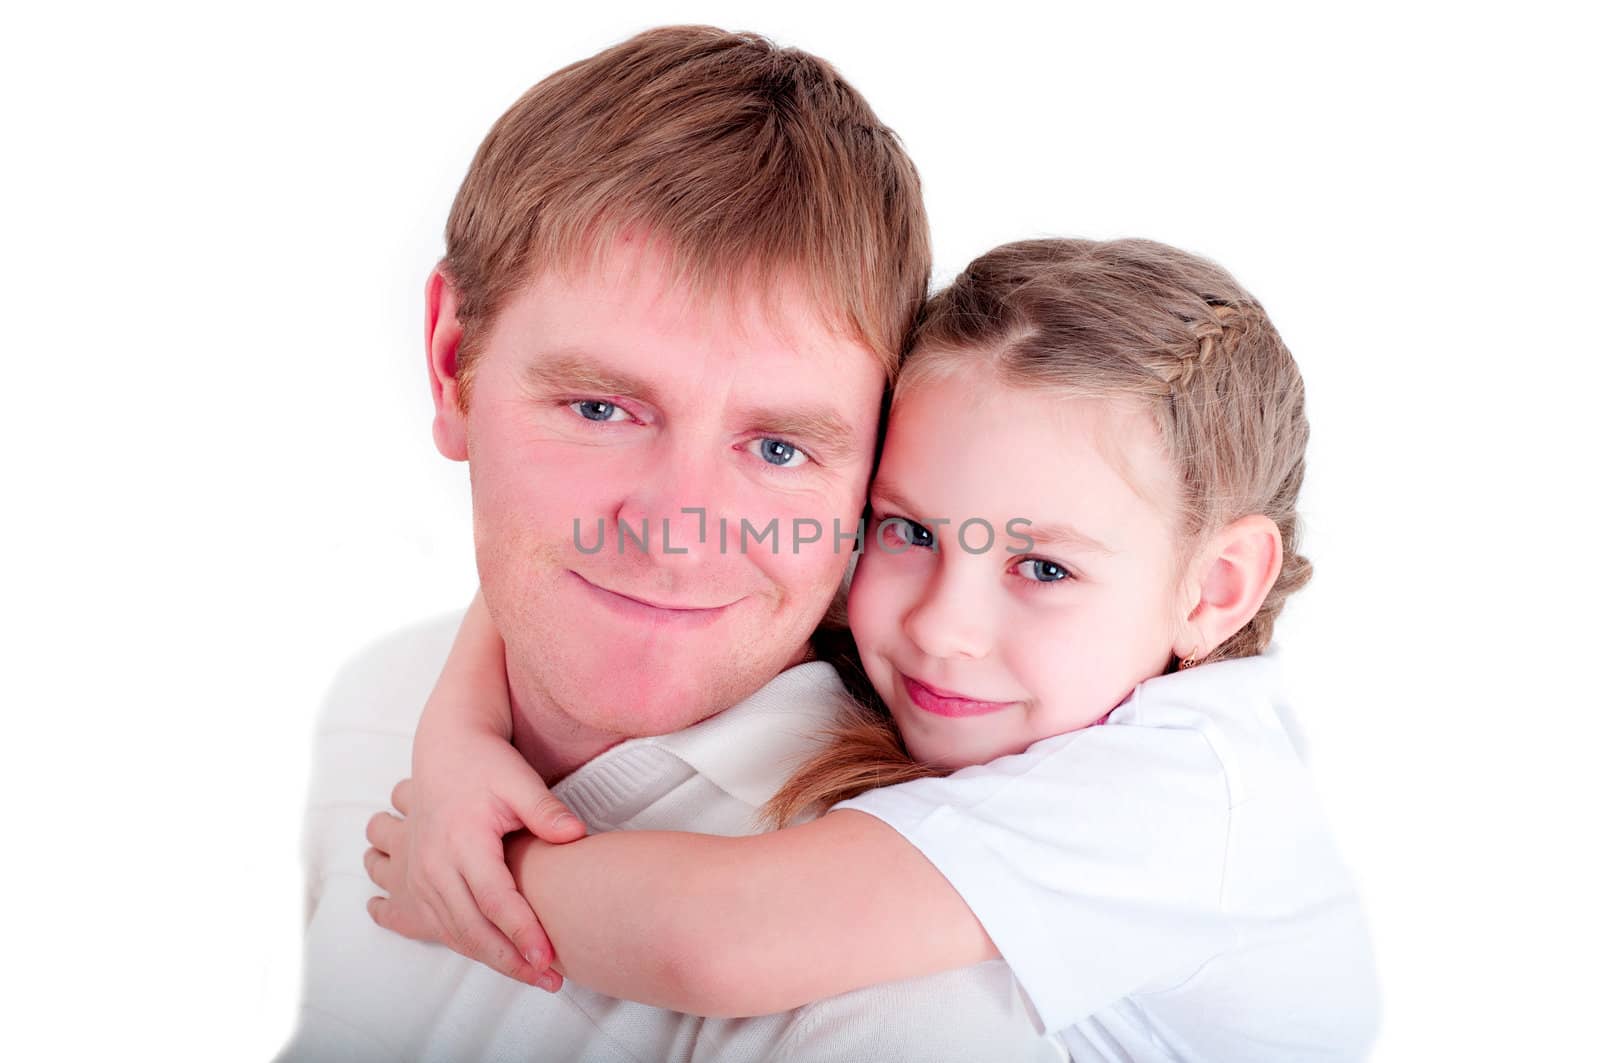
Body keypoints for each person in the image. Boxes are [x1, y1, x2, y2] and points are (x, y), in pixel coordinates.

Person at [364, 239, 1382, 1061]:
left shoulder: (1177, 794)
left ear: (1213, 589)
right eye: (908, 531)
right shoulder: (1001, 649)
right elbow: (596, 569)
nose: (942, 624)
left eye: (1043, 571)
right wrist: (456, 742)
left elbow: (722, 938)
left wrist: (465, 873)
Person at [279, 24, 1060, 1063]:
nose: (677, 535)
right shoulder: (382, 704)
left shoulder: (894, 984)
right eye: (601, 408)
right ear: (453, 360)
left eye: (779, 447)